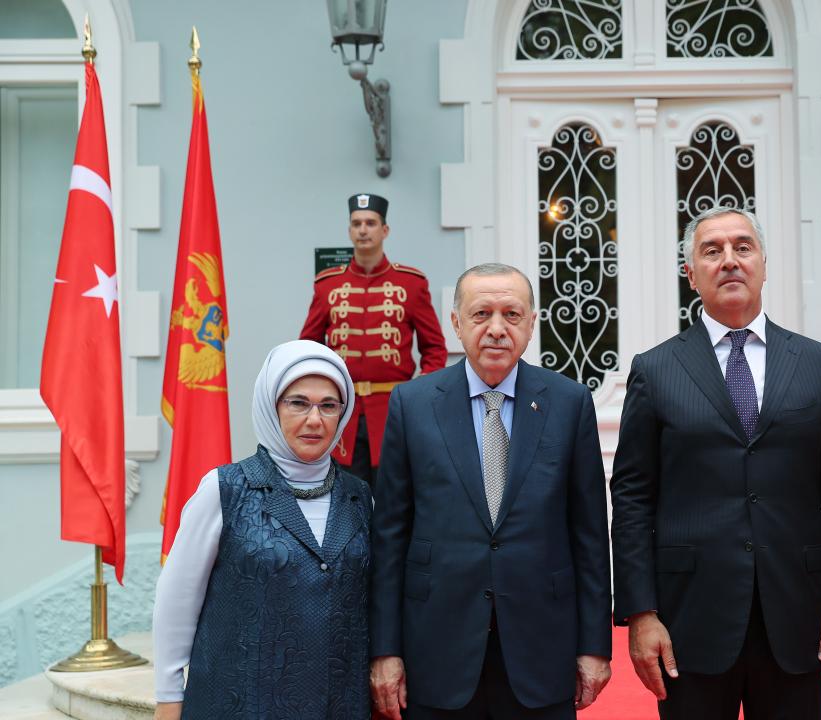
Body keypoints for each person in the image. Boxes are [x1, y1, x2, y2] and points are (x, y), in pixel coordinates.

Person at [610, 207, 821, 720]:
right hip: (689, 621)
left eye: (742, 247)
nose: (729, 260)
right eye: (712, 251)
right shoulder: (655, 369)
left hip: (798, 615)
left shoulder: (817, 363)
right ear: (691, 274)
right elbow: (633, 496)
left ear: (764, 264)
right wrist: (640, 612)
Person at [369, 263, 612, 720]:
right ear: (456, 322)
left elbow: (590, 536)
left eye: (512, 315)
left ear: (531, 324)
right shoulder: (413, 404)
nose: (497, 329)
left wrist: (595, 646)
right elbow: (390, 537)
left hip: (542, 647)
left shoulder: (569, 402)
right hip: (436, 647)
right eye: (481, 314)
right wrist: (385, 650)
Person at [152, 340, 370, 719]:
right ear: (272, 406)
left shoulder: (360, 497)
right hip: (238, 703)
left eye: (328, 405)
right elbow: (177, 599)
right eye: (298, 403)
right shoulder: (225, 489)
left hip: (338, 705)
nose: (315, 419)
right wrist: (168, 697)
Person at [300, 192, 448, 487]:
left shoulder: (411, 283)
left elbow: (434, 349)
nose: (363, 230)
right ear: (349, 231)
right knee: (344, 495)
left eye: (370, 223)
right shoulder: (328, 285)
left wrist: (418, 396)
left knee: (395, 493)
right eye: (357, 224)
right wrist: (320, 397)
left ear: (385, 230)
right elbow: (308, 347)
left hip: (394, 410)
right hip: (342, 412)